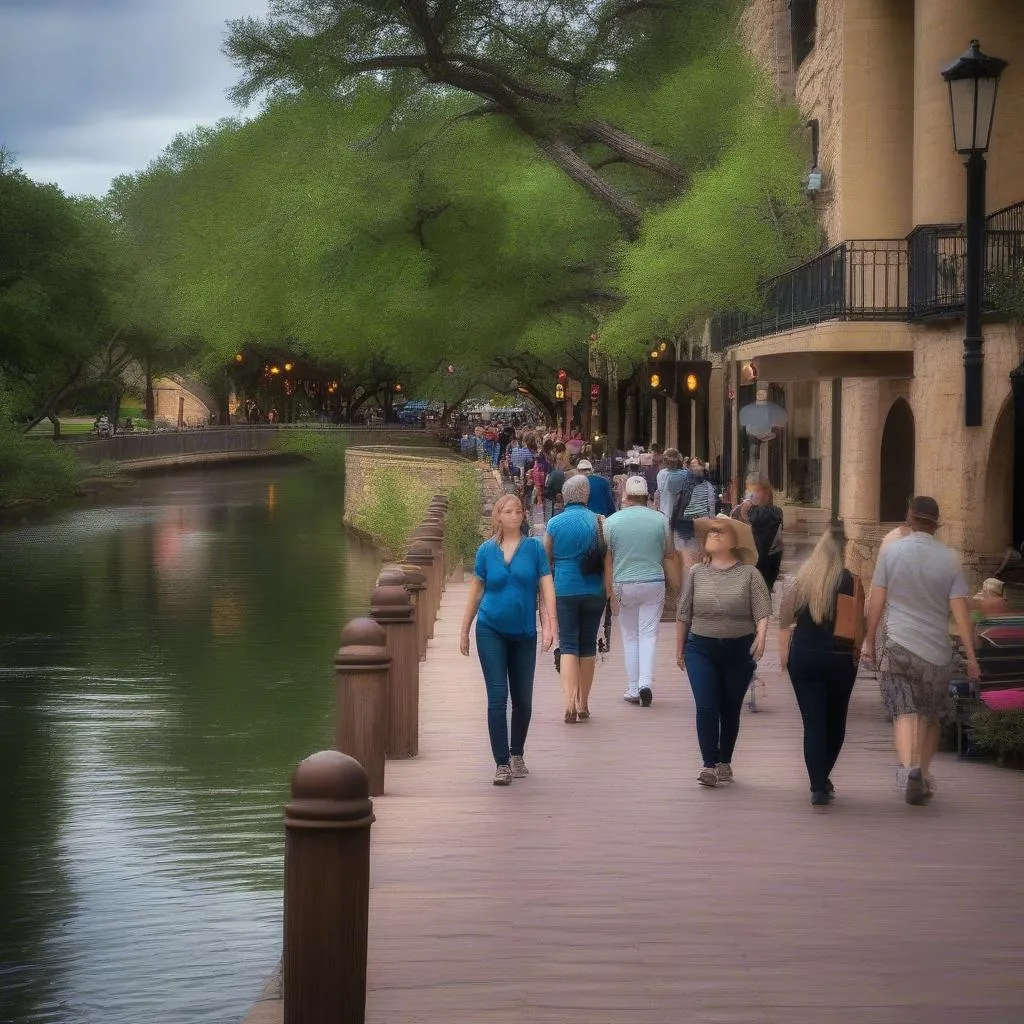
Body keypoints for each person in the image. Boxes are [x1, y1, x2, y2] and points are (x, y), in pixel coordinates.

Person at [865, 496, 980, 805]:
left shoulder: (892, 552)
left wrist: (868, 642)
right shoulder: (950, 558)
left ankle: (909, 769)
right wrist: (971, 657)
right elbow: (960, 611)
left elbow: (876, 600)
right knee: (930, 715)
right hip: (936, 652)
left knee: (904, 710)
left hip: (898, 643)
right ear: (936, 524)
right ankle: (924, 774)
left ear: (909, 517)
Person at [459, 494, 557, 785]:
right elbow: (476, 592)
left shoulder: (535, 549)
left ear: (524, 515)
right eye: (507, 511)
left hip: (524, 632)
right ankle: (501, 763)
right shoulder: (486, 551)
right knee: (498, 696)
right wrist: (464, 629)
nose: (514, 516)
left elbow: (547, 588)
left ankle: (517, 753)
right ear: (498, 516)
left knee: (523, 700)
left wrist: (551, 625)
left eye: (518, 511)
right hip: (490, 629)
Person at [676, 516, 772, 787]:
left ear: (734, 540)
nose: (714, 536)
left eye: (720, 532)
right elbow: (684, 612)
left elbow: (762, 610)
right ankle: (708, 764)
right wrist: (679, 648)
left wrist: (762, 638)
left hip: (739, 650)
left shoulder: (750, 574)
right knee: (706, 705)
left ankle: (725, 761)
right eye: (711, 532)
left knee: (730, 709)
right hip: (701, 648)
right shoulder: (696, 572)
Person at [779, 525, 860, 806]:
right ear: (843, 550)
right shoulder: (851, 581)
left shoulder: (799, 580)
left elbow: (785, 619)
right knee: (836, 722)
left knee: (813, 723)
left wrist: (783, 657)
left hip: (804, 657)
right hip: (839, 658)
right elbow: (856, 626)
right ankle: (822, 776)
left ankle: (817, 786)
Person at [605, 476, 679, 706]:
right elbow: (669, 552)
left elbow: (608, 556)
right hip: (653, 580)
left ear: (625, 496)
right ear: (647, 497)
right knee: (648, 633)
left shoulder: (612, 522)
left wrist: (608, 590)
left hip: (623, 582)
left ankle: (633, 687)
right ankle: (645, 682)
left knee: (630, 636)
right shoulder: (661, 520)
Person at [545, 474, 607, 723]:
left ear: (564, 496)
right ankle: (584, 703)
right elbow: (608, 558)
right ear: (586, 496)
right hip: (594, 589)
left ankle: (568, 702)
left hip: (565, 589)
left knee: (569, 644)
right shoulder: (600, 521)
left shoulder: (554, 524)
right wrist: (609, 590)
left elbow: (546, 558)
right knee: (588, 644)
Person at [736, 482, 784, 596]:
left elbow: (751, 521)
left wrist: (745, 511)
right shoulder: (776, 511)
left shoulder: (763, 512)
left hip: (761, 557)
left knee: (757, 591)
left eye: (756, 493)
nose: (753, 495)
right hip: (772, 557)